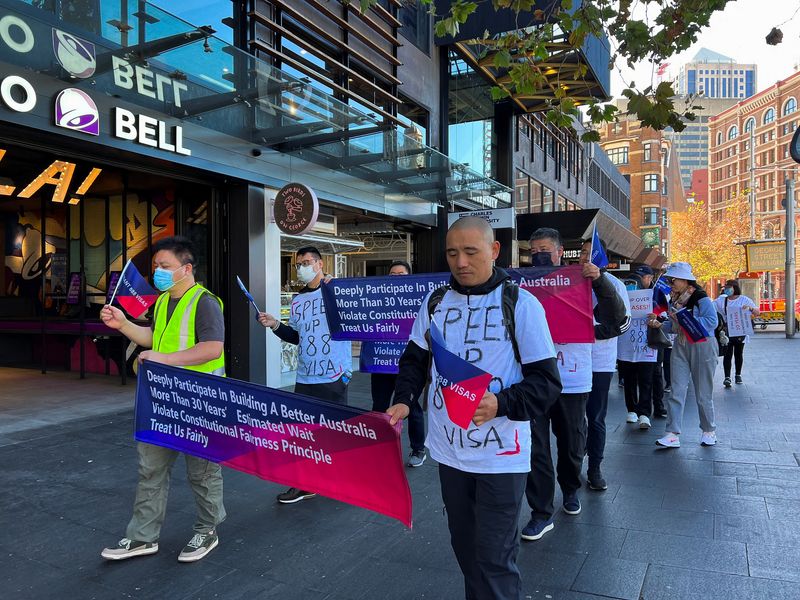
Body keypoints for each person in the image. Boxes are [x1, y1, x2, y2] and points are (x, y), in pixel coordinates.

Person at [387, 217, 562, 600]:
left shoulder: (520, 304)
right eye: (452, 253)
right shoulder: (435, 302)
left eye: (471, 252)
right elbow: (415, 360)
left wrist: (500, 403)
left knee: (495, 559)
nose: (461, 262)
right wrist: (403, 399)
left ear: (494, 251)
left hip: (502, 456)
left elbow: (546, 384)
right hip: (450, 453)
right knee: (466, 551)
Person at [100, 236, 226, 563]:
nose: (158, 272)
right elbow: (153, 338)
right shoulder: (162, 302)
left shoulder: (205, 302)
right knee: (150, 468)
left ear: (186, 269)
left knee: (202, 471)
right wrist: (124, 323)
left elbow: (213, 349)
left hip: (200, 403)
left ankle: (207, 530)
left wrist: (164, 360)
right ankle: (142, 537)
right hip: (162, 401)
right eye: (156, 266)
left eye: (164, 266)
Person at [522, 228, 624, 540]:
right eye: (533, 248)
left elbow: (617, 320)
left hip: (572, 378)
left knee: (571, 441)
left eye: (544, 248)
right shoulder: (523, 284)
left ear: (557, 252)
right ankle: (540, 510)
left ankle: (569, 489)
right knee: (535, 447)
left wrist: (599, 281)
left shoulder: (583, 279)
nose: (539, 253)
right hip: (533, 381)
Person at [257, 246, 353, 504]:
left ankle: (336, 480)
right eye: (299, 264)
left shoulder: (336, 290)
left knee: (332, 432)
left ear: (320, 264)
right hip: (306, 376)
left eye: (307, 262)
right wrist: (275, 325)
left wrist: (338, 286)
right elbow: (297, 337)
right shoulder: (298, 300)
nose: (302, 267)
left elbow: (356, 317)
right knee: (303, 434)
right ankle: (304, 484)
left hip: (333, 373)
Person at [647, 262, 719, 448]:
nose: (671, 283)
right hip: (681, 343)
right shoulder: (674, 300)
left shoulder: (701, 298)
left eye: (674, 280)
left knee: (703, 392)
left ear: (685, 280)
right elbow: (673, 326)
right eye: (670, 280)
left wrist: (685, 319)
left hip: (702, 344)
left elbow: (712, 322)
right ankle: (672, 433)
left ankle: (708, 430)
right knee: (676, 390)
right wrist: (660, 324)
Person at [581, 238, 631, 492]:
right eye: (582, 253)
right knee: (574, 419)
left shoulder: (616, 286)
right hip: (571, 362)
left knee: (596, 417)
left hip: (600, 363)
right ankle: (575, 460)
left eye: (590, 253)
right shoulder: (569, 282)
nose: (584, 257)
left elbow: (623, 324)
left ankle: (595, 468)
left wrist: (589, 332)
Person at [369, 260, 426, 467]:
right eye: (393, 274)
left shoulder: (418, 300)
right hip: (381, 364)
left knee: (412, 407)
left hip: (407, 367)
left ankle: (418, 449)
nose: (396, 278)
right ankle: (380, 447)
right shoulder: (377, 300)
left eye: (401, 274)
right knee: (380, 407)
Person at [715, 279, 760, 388]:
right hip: (728, 331)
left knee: (738, 353)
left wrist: (749, 308)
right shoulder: (722, 301)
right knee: (727, 353)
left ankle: (738, 374)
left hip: (741, 331)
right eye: (726, 288)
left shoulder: (744, 299)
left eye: (729, 287)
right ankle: (727, 377)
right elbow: (711, 309)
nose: (727, 290)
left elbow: (757, 312)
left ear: (735, 288)